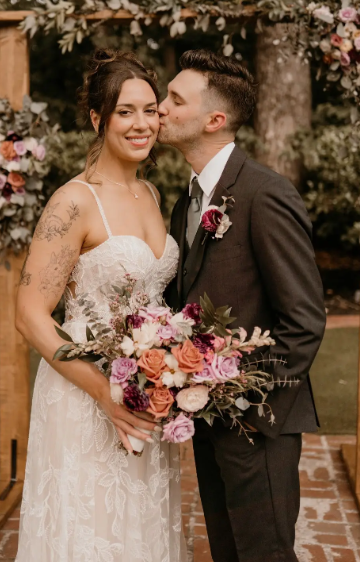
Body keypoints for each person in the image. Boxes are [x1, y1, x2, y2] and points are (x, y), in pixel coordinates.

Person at [15, 49, 186, 562]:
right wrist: (104, 391)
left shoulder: (151, 194)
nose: (142, 124)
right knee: (91, 530)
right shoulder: (73, 201)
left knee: (138, 525)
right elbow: (28, 313)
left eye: (150, 110)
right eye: (125, 111)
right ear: (98, 118)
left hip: (145, 392)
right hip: (83, 393)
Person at [160, 49, 326, 562]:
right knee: (228, 552)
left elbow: (303, 321)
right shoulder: (186, 201)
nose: (160, 109)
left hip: (258, 422)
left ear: (215, 119)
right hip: (208, 421)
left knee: (266, 554)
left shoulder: (264, 194)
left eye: (173, 99)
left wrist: (246, 402)